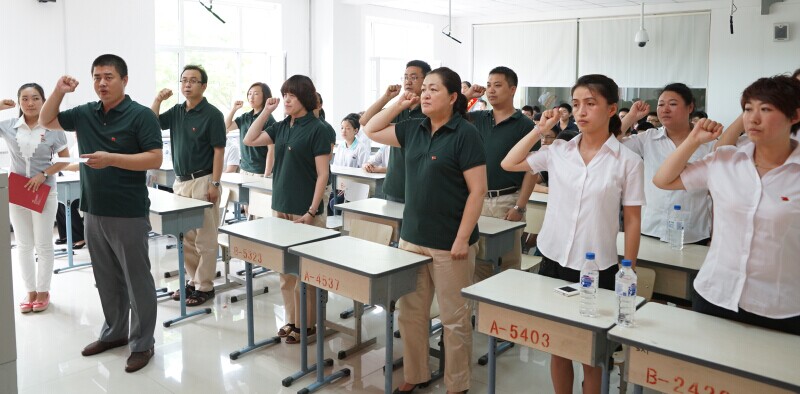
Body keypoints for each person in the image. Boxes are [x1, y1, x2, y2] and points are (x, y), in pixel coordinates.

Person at [502, 74, 644, 394]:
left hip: (598, 267)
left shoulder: (628, 161)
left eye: (590, 104)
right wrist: (539, 129)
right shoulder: (559, 151)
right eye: (577, 103)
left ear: (611, 109)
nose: (580, 111)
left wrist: (628, 269)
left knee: (593, 355)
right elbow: (510, 163)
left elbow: (633, 220)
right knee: (559, 346)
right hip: (553, 258)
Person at [363, 66, 486, 394]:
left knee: (454, 319)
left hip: (450, 244)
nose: (427, 94)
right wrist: (401, 103)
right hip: (412, 239)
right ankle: (416, 375)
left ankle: (457, 385)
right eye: (425, 89)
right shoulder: (414, 127)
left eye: (434, 89)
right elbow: (371, 129)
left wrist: (462, 238)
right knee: (411, 314)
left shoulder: (465, 133)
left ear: (453, 97)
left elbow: (478, 191)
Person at [39, 54, 163, 372]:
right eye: (97, 77)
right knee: (106, 279)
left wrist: (113, 158)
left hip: (128, 212)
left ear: (124, 79)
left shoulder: (141, 116)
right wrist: (59, 91)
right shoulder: (86, 113)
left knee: (137, 282)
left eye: (108, 76)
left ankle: (142, 343)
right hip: (93, 210)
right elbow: (46, 120)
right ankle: (115, 334)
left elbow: (154, 159)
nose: (102, 83)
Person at [653, 75, 800, 335]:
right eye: (747, 109)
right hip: (715, 295)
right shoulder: (725, 160)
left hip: (780, 308)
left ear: (795, 116)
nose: (753, 119)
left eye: (765, 109)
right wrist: (693, 140)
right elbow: (664, 180)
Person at [243, 75, 331, 344]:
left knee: (308, 272)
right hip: (280, 205)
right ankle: (292, 320)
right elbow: (249, 139)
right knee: (285, 271)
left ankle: (309, 325)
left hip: (305, 210)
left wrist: (312, 211)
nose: (287, 100)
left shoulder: (319, 129)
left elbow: (322, 175)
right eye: (285, 94)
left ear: (304, 97)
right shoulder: (281, 126)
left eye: (292, 95)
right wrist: (267, 111)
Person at [152, 64, 226, 307]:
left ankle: (205, 286)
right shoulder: (176, 111)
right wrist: (158, 100)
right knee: (186, 237)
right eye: (184, 80)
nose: (187, 84)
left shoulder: (212, 114)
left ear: (203, 86)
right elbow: (152, 124)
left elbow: (218, 151)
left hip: (204, 180)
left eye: (193, 80)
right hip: (181, 182)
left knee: (205, 238)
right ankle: (193, 280)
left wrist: (215, 183)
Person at [463, 66, 536, 281]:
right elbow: (449, 116)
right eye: (488, 85)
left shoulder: (525, 125)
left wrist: (519, 207)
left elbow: (532, 170)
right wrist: (469, 97)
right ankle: (478, 313)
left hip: (507, 201)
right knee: (476, 262)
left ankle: (506, 313)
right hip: (476, 199)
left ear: (512, 89)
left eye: (497, 85)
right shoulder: (478, 118)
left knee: (508, 263)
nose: (491, 90)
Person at [1, 83, 70, 313]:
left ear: (43, 101)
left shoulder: (53, 128)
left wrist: (44, 174)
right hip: (17, 191)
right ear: (19, 102)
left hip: (45, 191)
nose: (30, 103)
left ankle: (43, 291)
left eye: (35, 98)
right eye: (25, 99)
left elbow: (64, 160)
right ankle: (29, 291)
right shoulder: (9, 126)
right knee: (23, 245)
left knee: (43, 244)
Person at [619, 84, 714, 245]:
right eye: (661, 104)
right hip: (650, 229)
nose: (665, 109)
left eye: (673, 104)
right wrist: (630, 117)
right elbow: (610, 145)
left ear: (690, 107)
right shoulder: (649, 138)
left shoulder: (708, 143)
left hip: (692, 234)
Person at [360, 60, 431, 203]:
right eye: (405, 77)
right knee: (392, 225)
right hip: (395, 186)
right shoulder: (399, 108)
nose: (408, 82)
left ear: (426, 81)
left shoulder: (429, 111)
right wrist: (387, 97)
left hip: (422, 187)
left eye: (414, 77)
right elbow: (365, 122)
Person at [224, 82, 275, 176]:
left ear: (265, 96)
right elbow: (227, 126)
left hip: (260, 171)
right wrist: (234, 109)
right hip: (244, 169)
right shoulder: (245, 116)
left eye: (256, 94)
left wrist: (267, 173)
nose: (251, 97)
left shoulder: (268, 119)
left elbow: (271, 149)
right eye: (249, 93)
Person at [329, 113, 371, 211]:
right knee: (330, 201)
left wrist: (346, 185)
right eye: (342, 128)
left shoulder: (361, 147)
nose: (344, 131)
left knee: (333, 203)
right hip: (340, 183)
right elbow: (336, 166)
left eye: (348, 128)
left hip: (354, 184)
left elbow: (363, 171)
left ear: (356, 130)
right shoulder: (340, 146)